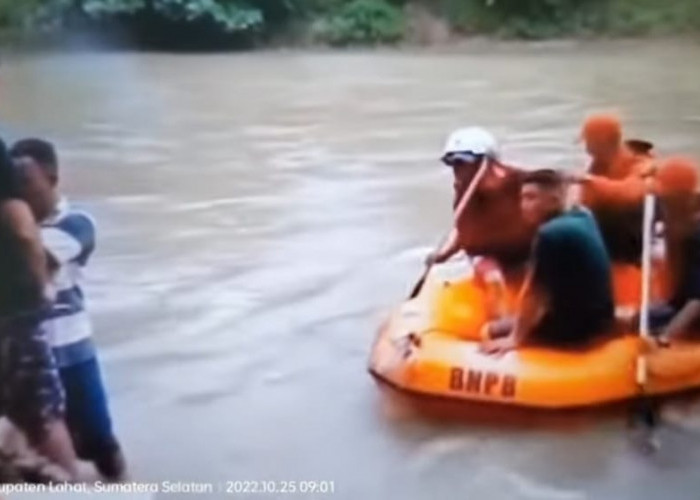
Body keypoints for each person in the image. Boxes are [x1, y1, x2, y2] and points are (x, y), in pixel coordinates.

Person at [10, 138, 126, 480]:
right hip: (26, 355)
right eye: (15, 185)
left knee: (99, 442)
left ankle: (122, 486)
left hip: (73, 354)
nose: (22, 192)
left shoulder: (77, 224)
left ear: (52, 178)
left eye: (27, 182)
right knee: (32, 445)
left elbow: (34, 262)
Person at [0, 137, 80, 479]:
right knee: (42, 416)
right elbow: (22, 227)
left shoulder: (75, 225)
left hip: (17, 310)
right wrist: (41, 290)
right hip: (16, 309)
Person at [481, 169, 615, 355]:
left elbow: (535, 294)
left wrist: (515, 338)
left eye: (531, 198)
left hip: (575, 332)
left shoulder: (549, 234)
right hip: (603, 321)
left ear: (552, 201)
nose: (523, 205)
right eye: (522, 198)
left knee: (490, 330)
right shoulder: (584, 215)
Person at [426, 127, 534, 275]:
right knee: (487, 269)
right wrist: (444, 254)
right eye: (453, 164)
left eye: (462, 163)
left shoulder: (517, 181)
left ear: (487, 164)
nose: (457, 170)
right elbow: (465, 228)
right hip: (487, 258)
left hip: (524, 255)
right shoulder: (464, 188)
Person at [575, 112, 655, 262]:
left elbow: (631, 193)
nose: (586, 148)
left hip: (636, 237)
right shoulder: (598, 164)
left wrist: (591, 181)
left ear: (602, 142)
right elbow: (586, 204)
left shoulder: (642, 164)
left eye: (588, 142)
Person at [647, 157, 700, 343]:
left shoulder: (695, 234)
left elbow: (697, 299)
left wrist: (666, 337)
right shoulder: (680, 221)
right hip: (680, 303)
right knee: (639, 319)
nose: (660, 202)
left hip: (693, 309)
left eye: (664, 198)